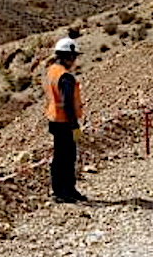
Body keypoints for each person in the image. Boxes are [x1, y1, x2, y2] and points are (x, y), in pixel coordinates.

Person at [44, 37, 86, 203]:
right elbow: (68, 104)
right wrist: (74, 126)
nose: (74, 61)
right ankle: (62, 192)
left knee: (61, 157)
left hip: (55, 120)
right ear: (68, 57)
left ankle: (66, 189)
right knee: (67, 158)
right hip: (65, 122)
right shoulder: (66, 77)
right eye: (73, 57)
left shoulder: (52, 70)